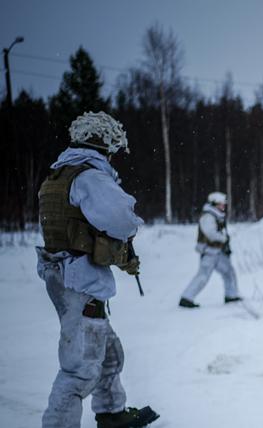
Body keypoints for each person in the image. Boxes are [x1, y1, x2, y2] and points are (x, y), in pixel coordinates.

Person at [36, 111, 159, 428]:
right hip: (78, 279)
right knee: (80, 368)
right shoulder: (89, 176)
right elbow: (121, 219)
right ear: (103, 143)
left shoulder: (60, 173)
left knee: (108, 353)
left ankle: (111, 413)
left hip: (66, 275)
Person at [178, 192, 241, 308]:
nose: (223, 206)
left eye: (224, 204)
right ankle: (186, 298)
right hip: (209, 252)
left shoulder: (217, 215)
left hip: (218, 252)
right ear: (214, 204)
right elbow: (211, 234)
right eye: (221, 204)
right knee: (203, 276)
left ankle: (231, 296)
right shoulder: (208, 216)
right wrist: (224, 239)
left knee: (229, 272)